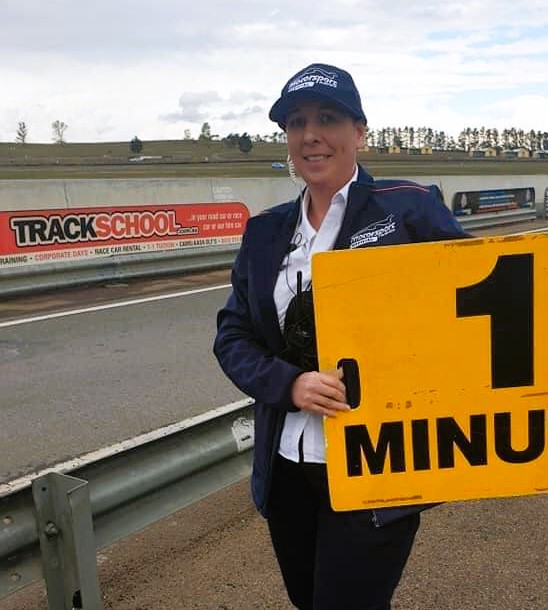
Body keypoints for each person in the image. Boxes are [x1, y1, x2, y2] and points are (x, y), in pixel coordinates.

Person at [213, 63, 468, 610]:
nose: (310, 135)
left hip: (378, 464)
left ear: (359, 132)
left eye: (327, 118)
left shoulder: (410, 208)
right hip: (287, 469)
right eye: (296, 122)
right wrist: (291, 384)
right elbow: (233, 334)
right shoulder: (264, 232)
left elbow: (489, 299)